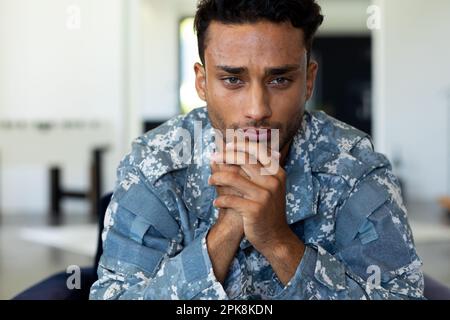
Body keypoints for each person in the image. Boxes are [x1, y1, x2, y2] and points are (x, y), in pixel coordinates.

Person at [89, 0, 424, 300]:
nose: (257, 109)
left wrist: (278, 241)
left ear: (308, 81)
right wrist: (228, 228)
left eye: (279, 79)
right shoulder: (155, 164)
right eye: (233, 79)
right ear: (202, 82)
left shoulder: (354, 169)